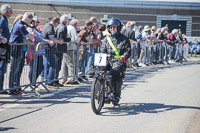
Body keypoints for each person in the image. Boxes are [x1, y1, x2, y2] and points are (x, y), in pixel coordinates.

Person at [100, 17, 131, 102]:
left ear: (118, 27)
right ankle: (101, 90)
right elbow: (102, 50)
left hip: (119, 61)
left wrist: (123, 57)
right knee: (100, 71)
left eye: (114, 27)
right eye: (111, 27)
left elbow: (128, 52)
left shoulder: (124, 39)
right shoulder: (106, 39)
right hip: (108, 60)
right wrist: (103, 56)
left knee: (115, 73)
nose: (112, 29)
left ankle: (115, 94)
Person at [9, 12, 34, 95]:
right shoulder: (20, 25)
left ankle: (14, 87)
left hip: (17, 48)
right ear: (28, 19)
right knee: (14, 69)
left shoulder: (18, 23)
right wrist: (33, 30)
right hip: (16, 49)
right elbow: (30, 37)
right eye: (30, 21)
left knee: (15, 69)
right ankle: (12, 88)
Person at [26, 16, 53, 84]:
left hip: (40, 52)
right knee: (33, 68)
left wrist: (47, 41)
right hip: (32, 51)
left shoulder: (38, 30)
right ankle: (32, 82)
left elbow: (41, 37)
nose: (37, 23)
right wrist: (48, 41)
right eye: (35, 22)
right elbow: (36, 38)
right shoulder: (29, 29)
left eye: (38, 22)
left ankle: (34, 81)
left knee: (40, 67)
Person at [42, 17, 64, 87]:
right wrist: (59, 41)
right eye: (57, 24)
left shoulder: (46, 25)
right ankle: (49, 81)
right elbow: (52, 38)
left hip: (46, 48)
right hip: (49, 48)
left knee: (47, 65)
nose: (57, 26)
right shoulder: (50, 27)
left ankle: (47, 81)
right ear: (56, 23)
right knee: (53, 65)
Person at [60, 19, 80, 84]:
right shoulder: (72, 28)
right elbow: (75, 39)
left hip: (64, 47)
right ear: (75, 24)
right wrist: (78, 41)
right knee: (70, 63)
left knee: (64, 64)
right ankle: (71, 78)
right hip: (70, 47)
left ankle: (64, 78)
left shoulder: (66, 27)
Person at [0, 4, 12, 93]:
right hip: (2, 48)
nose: (12, 13)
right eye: (11, 11)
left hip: (5, 47)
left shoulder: (5, 20)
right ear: (6, 11)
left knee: (3, 69)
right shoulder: (2, 20)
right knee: (1, 68)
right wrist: (1, 39)